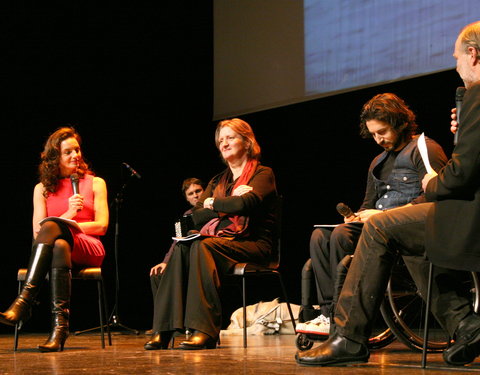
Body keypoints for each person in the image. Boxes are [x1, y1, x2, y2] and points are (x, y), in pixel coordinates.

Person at [296, 20, 480, 367]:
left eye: (456, 58)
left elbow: (460, 173)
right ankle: (467, 324)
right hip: (463, 208)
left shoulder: (469, 105)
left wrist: (432, 184)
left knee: (384, 227)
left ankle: (349, 336)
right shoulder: (378, 162)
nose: (455, 65)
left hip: (467, 211)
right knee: (393, 235)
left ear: (473, 54)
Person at [296, 93, 447, 336]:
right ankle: (328, 313)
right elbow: (368, 204)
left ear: (399, 123)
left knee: (341, 236)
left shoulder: (424, 148)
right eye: (374, 134)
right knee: (320, 236)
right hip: (376, 227)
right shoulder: (378, 161)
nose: (378, 139)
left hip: (406, 228)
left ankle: (343, 315)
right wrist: (356, 216)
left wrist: (380, 215)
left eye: (383, 132)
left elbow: (434, 196)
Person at [144, 118, 277, 350]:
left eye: (230, 138)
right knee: (186, 245)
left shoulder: (263, 174)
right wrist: (230, 201)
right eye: (221, 140)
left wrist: (214, 203)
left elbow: (246, 204)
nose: (224, 143)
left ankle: (204, 330)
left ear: (247, 142)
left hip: (254, 244)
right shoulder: (218, 180)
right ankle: (163, 330)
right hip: (222, 242)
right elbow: (194, 217)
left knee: (203, 246)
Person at [0, 127, 109, 352]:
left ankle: (24, 301)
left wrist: (68, 225)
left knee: (52, 227)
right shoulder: (42, 189)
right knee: (58, 244)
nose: (75, 156)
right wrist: (68, 215)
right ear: (55, 158)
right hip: (58, 251)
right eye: (68, 152)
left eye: (77, 150)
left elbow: (102, 226)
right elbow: (37, 235)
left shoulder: (95, 183)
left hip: (88, 247)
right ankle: (60, 329)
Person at [149, 177, 204, 302]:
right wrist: (165, 262)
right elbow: (177, 241)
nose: (195, 195)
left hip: (200, 257)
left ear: (204, 191)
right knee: (158, 274)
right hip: (184, 255)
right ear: (187, 198)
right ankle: (165, 319)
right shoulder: (187, 215)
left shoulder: (212, 208)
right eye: (191, 193)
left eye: (198, 191)